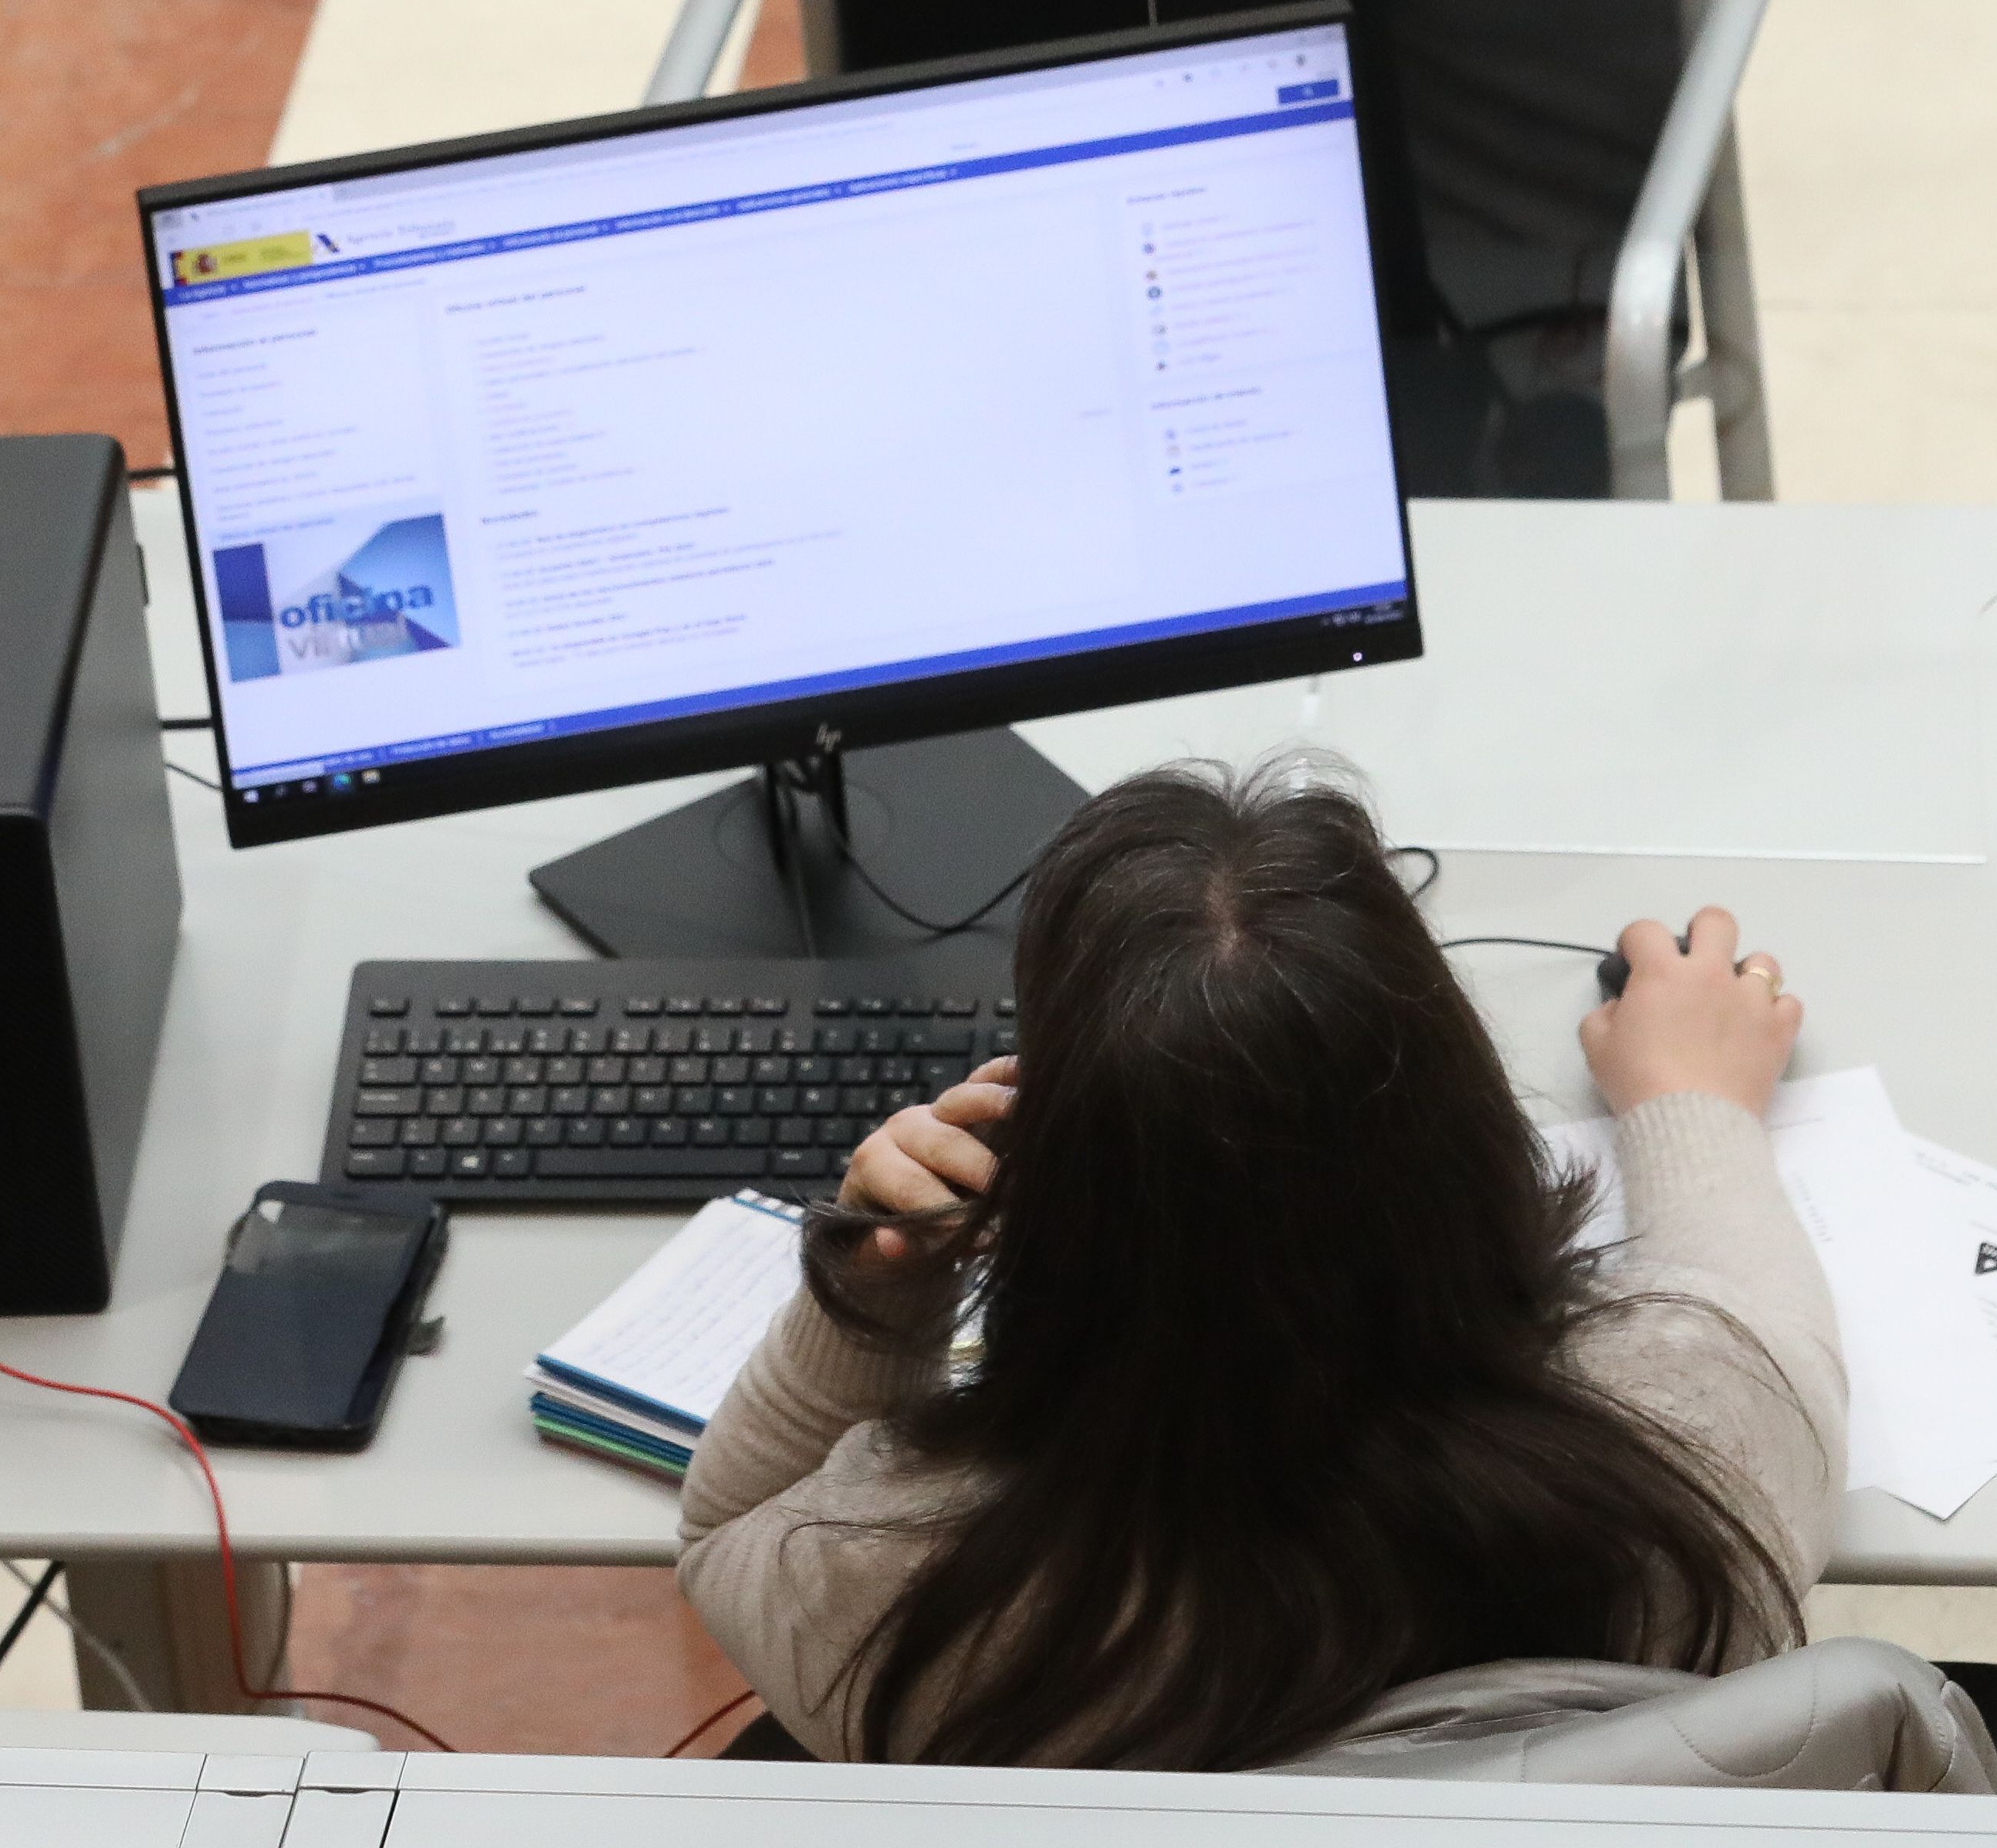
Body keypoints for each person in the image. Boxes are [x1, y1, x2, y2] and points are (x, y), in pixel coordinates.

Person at [676, 756, 1843, 1767]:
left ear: (1061, 1185)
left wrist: (879, 1277)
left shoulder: (895, 1595)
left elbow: (724, 1531)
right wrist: (1692, 1096)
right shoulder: (1693, 1452)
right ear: (1462, 1122)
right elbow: (1759, 1307)